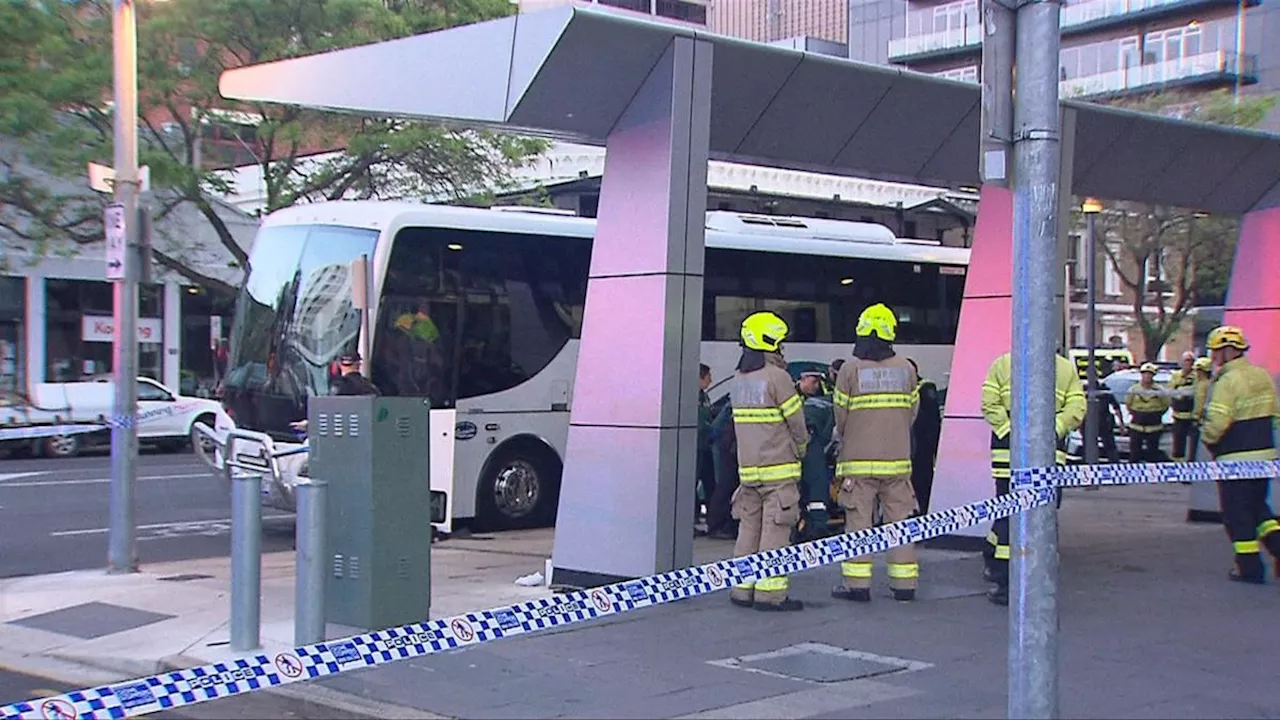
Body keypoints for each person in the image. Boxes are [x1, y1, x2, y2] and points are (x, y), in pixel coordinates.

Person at [828, 303, 920, 603]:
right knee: (900, 523)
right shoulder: (907, 368)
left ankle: (857, 584)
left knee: (858, 522)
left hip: (857, 464)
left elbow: (840, 416)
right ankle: (905, 585)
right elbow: (912, 412)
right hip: (897, 463)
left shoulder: (850, 370)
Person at [981, 350, 1086, 606]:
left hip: (1009, 458)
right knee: (1042, 518)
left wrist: (1011, 434)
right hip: (1046, 459)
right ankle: (1027, 578)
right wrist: (1050, 432)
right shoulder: (1064, 368)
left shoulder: (1002, 364)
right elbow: (1077, 407)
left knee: (1008, 515)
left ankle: (1004, 578)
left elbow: (989, 403)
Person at [728, 311, 808, 612]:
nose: (782, 349)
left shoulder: (738, 379)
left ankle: (742, 588)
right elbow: (797, 423)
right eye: (779, 343)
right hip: (779, 470)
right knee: (775, 530)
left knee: (748, 530)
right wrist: (802, 447)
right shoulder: (778, 377)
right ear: (770, 342)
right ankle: (770, 594)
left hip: (748, 471)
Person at [1198, 325, 1280, 584]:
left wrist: (1207, 438)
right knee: (1259, 510)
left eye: (1215, 353)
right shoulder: (1263, 375)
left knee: (1237, 515)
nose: (1213, 358)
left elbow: (1219, 421)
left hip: (1235, 459)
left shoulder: (1227, 381)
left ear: (1226, 351)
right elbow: (1275, 415)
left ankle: (1249, 568)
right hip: (1264, 458)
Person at [796, 370, 834, 541]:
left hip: (795, 442)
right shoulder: (830, 403)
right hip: (811, 442)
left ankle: (804, 523)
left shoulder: (812, 400)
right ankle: (817, 526)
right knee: (817, 484)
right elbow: (830, 432)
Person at [905, 358, 941, 515]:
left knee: (922, 480)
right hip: (908, 443)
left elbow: (930, 420)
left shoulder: (926, 388)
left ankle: (923, 513)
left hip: (922, 445)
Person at [704, 398, 739, 540]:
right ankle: (717, 525)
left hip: (731, 444)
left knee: (727, 486)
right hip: (730, 446)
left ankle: (724, 524)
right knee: (726, 485)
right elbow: (717, 426)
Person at [1125, 363, 1169, 463]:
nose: (1147, 376)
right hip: (1137, 426)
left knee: (1152, 455)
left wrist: (1154, 414)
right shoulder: (1134, 389)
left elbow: (1166, 405)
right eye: (1145, 373)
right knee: (1134, 454)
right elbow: (1128, 404)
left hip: (1154, 427)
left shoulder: (1160, 390)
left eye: (1150, 374)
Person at [1166, 351, 1198, 461]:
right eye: (1186, 360)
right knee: (1178, 444)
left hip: (1192, 417)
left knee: (1193, 445)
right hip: (1178, 416)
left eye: (1190, 360)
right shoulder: (1176, 376)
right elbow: (1171, 392)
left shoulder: (1197, 376)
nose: (1188, 363)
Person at [696, 364, 716, 524]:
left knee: (710, 483)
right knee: (692, 483)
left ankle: (711, 518)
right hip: (696, 447)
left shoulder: (704, 396)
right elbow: (701, 422)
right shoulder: (692, 397)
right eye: (708, 377)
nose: (711, 380)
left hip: (706, 447)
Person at [1188, 356, 1213, 462]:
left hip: (1201, 421)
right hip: (1200, 420)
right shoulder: (1199, 384)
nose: (1196, 373)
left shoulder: (1205, 385)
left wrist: (1196, 417)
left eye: (1197, 371)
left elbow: (1200, 403)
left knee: (1196, 449)